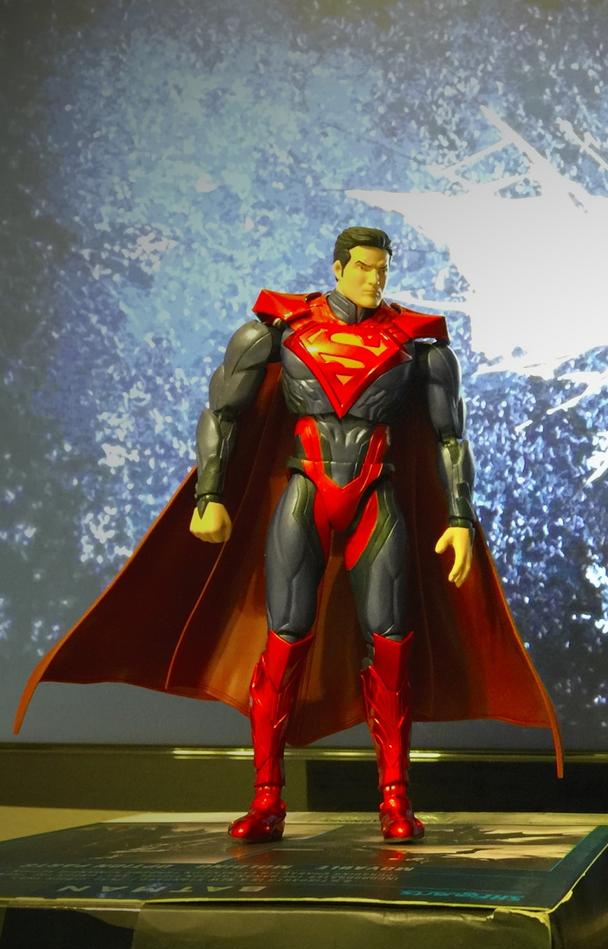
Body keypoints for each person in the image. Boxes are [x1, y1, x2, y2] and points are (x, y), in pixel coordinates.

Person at [16, 227, 561, 839]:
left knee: (390, 642)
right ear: (338, 267)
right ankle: (267, 799)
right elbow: (224, 412)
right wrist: (209, 495)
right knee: (285, 636)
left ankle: (395, 799)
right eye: (363, 267)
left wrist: (459, 520)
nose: (374, 279)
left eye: (382, 269)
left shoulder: (418, 346)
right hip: (305, 493)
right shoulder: (281, 331)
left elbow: (450, 438)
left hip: (375, 497)